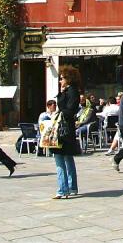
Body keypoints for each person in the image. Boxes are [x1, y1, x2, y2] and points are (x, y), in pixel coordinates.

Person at [50, 65, 80, 197]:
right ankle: (72, 187)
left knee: (60, 159)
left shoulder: (71, 92)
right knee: (68, 158)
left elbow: (69, 110)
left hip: (63, 130)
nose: (60, 81)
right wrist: (62, 92)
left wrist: (58, 113)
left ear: (68, 78)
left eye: (61, 78)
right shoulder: (69, 91)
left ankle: (63, 189)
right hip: (67, 129)